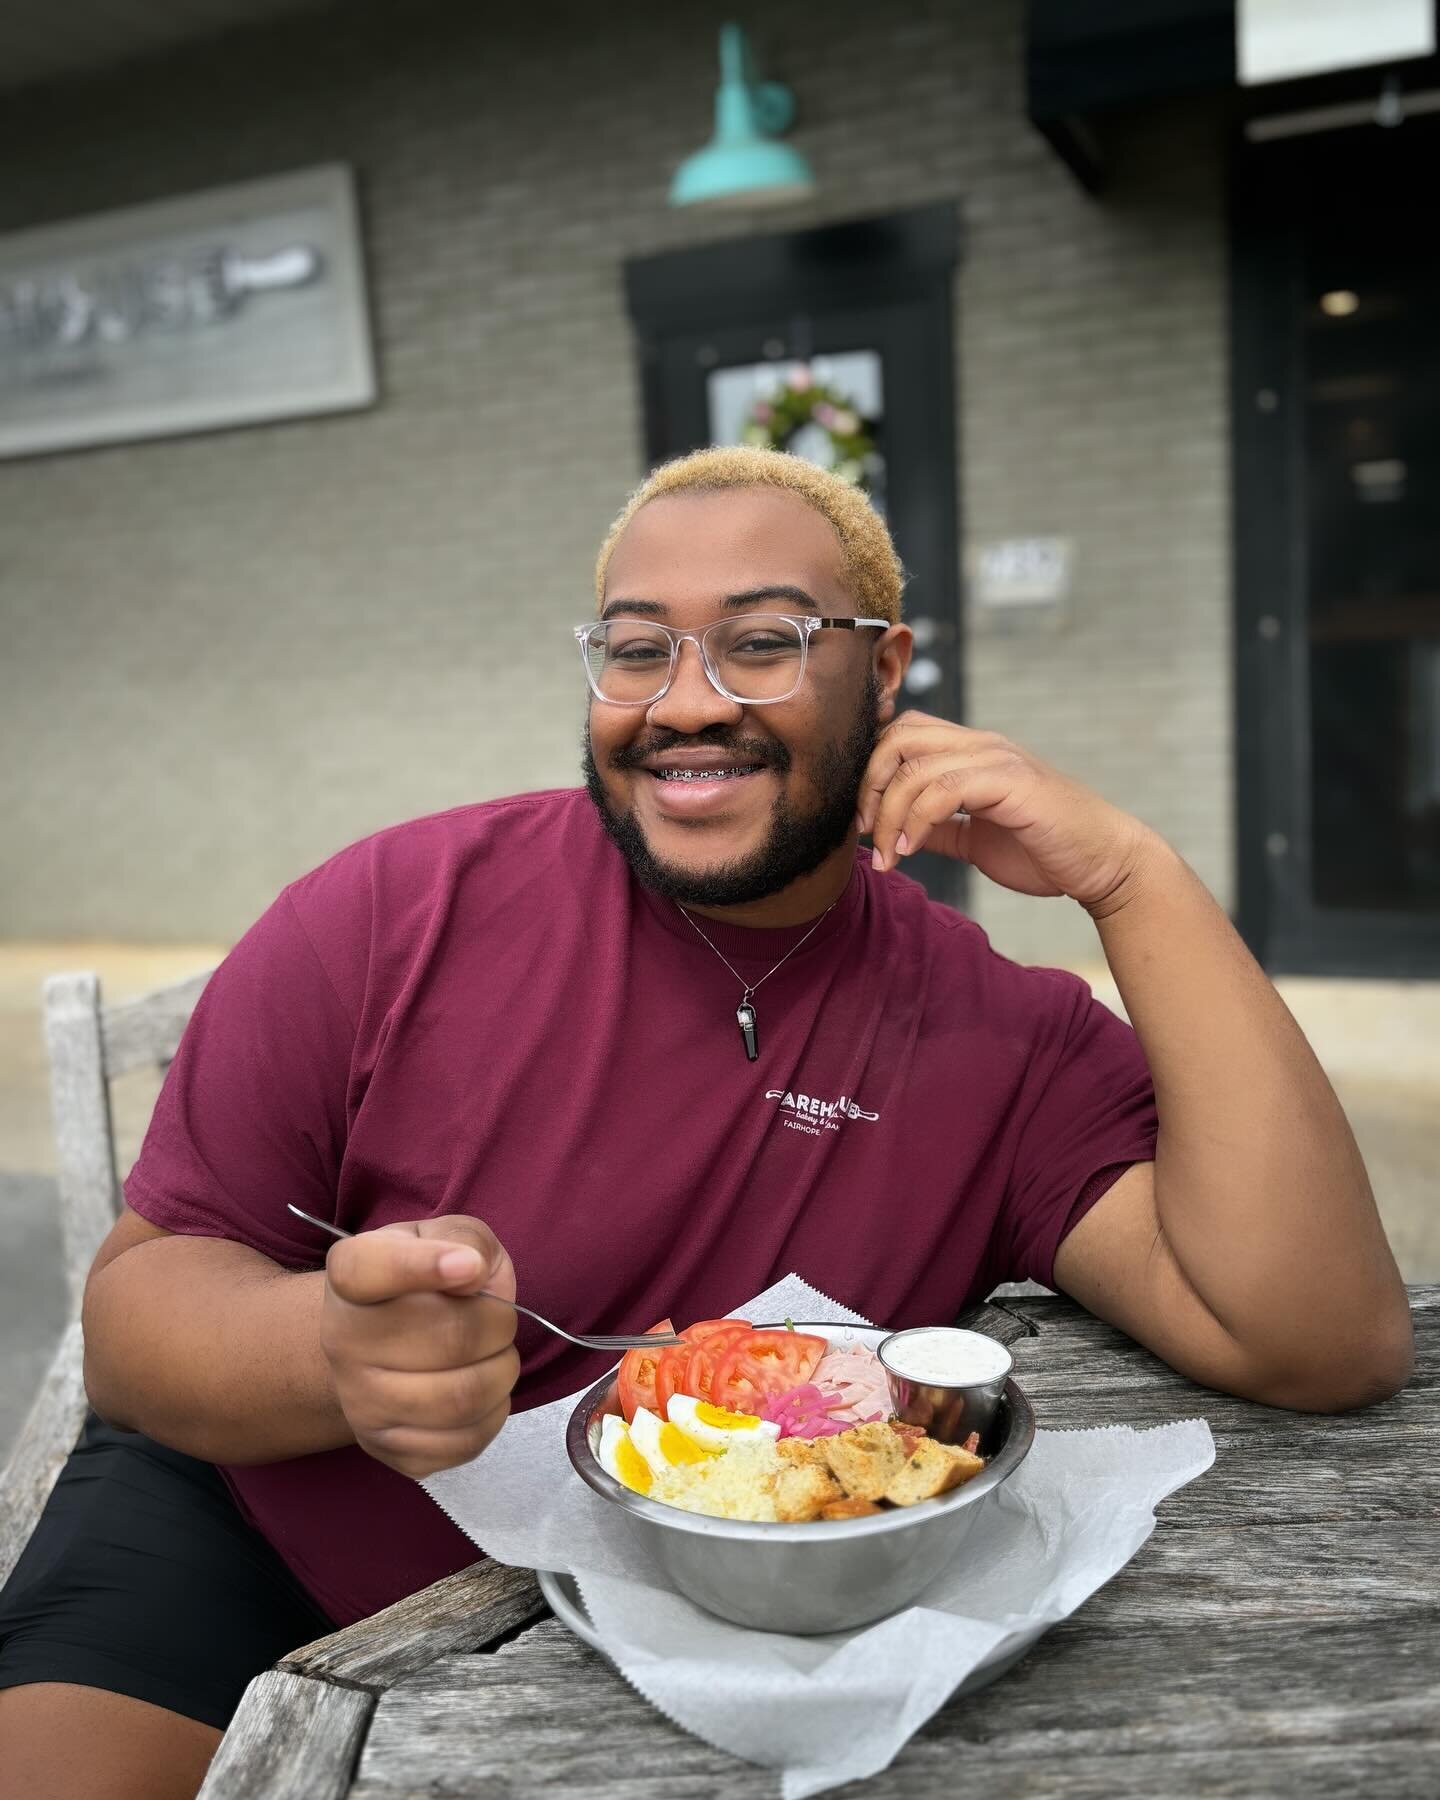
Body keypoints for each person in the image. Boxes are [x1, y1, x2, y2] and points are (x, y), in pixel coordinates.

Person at [0, 446, 1412, 1799]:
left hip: (669, 1633)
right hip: (245, 1526)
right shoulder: (391, 911)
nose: (685, 702)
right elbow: (139, 1316)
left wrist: (1132, 879)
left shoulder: (999, 1034)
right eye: (634, 647)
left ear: (889, 670)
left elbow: (1313, 1334)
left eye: (763, 641)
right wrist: (332, 1352)